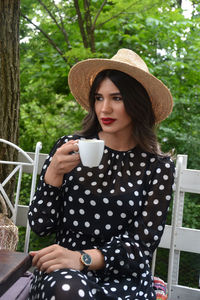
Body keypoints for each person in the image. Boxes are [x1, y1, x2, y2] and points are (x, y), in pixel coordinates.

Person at [28, 48, 175, 300]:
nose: (104, 108)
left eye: (117, 98)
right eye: (98, 98)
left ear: (137, 103)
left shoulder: (158, 167)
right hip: (66, 274)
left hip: (124, 278)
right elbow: (41, 226)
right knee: (68, 290)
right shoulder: (69, 148)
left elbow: (141, 247)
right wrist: (52, 176)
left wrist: (83, 258)